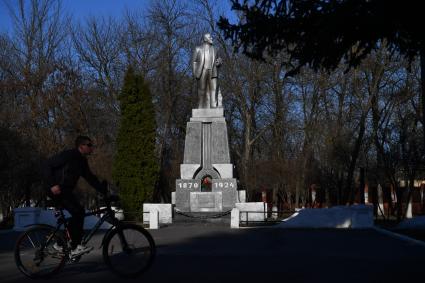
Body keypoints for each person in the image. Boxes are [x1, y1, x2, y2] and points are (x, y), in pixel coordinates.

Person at [42, 135, 107, 257]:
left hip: (65, 191)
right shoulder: (69, 155)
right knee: (78, 212)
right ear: (81, 146)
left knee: (78, 212)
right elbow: (47, 164)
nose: (91, 147)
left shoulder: (82, 161)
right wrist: (52, 184)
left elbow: (90, 178)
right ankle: (72, 246)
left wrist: (103, 190)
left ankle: (66, 244)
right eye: (89, 145)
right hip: (56, 190)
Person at [192, 33, 222, 109]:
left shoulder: (216, 49)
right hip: (202, 71)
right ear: (205, 39)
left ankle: (213, 105)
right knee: (201, 89)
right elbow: (194, 61)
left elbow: (219, 59)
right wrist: (195, 72)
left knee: (214, 89)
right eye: (210, 37)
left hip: (213, 71)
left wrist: (219, 62)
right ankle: (201, 105)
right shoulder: (198, 49)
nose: (211, 38)